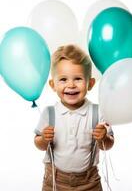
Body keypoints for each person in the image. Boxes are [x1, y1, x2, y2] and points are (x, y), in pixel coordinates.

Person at [34, 44, 114, 191]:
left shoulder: (97, 112)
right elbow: (38, 144)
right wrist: (44, 139)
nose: (71, 85)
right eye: (63, 79)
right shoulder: (49, 113)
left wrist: (103, 138)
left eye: (78, 79)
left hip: (89, 182)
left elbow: (109, 144)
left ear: (90, 83)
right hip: (55, 180)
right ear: (53, 84)